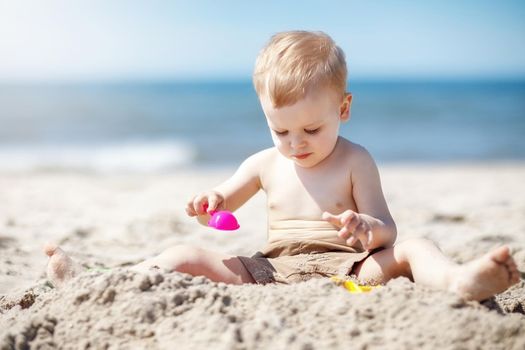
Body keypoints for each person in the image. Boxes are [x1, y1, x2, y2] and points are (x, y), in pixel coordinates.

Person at [45, 30, 520, 301]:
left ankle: (460, 281)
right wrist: (210, 201)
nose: (295, 144)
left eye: (311, 130)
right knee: (182, 254)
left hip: (351, 268)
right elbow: (224, 200)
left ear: (344, 109)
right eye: (281, 130)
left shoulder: (356, 160)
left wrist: (364, 228)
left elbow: (388, 231)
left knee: (417, 246)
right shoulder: (263, 163)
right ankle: (99, 283)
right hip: (270, 271)